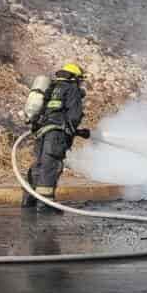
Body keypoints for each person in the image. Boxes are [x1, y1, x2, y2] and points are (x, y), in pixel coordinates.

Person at [24, 63, 91, 211]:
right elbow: (74, 115)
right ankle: (46, 204)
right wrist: (72, 130)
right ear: (74, 78)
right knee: (51, 166)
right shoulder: (72, 89)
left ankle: (29, 201)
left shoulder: (51, 87)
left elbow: (44, 112)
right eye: (80, 79)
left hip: (42, 132)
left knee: (39, 165)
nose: (80, 82)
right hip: (56, 135)